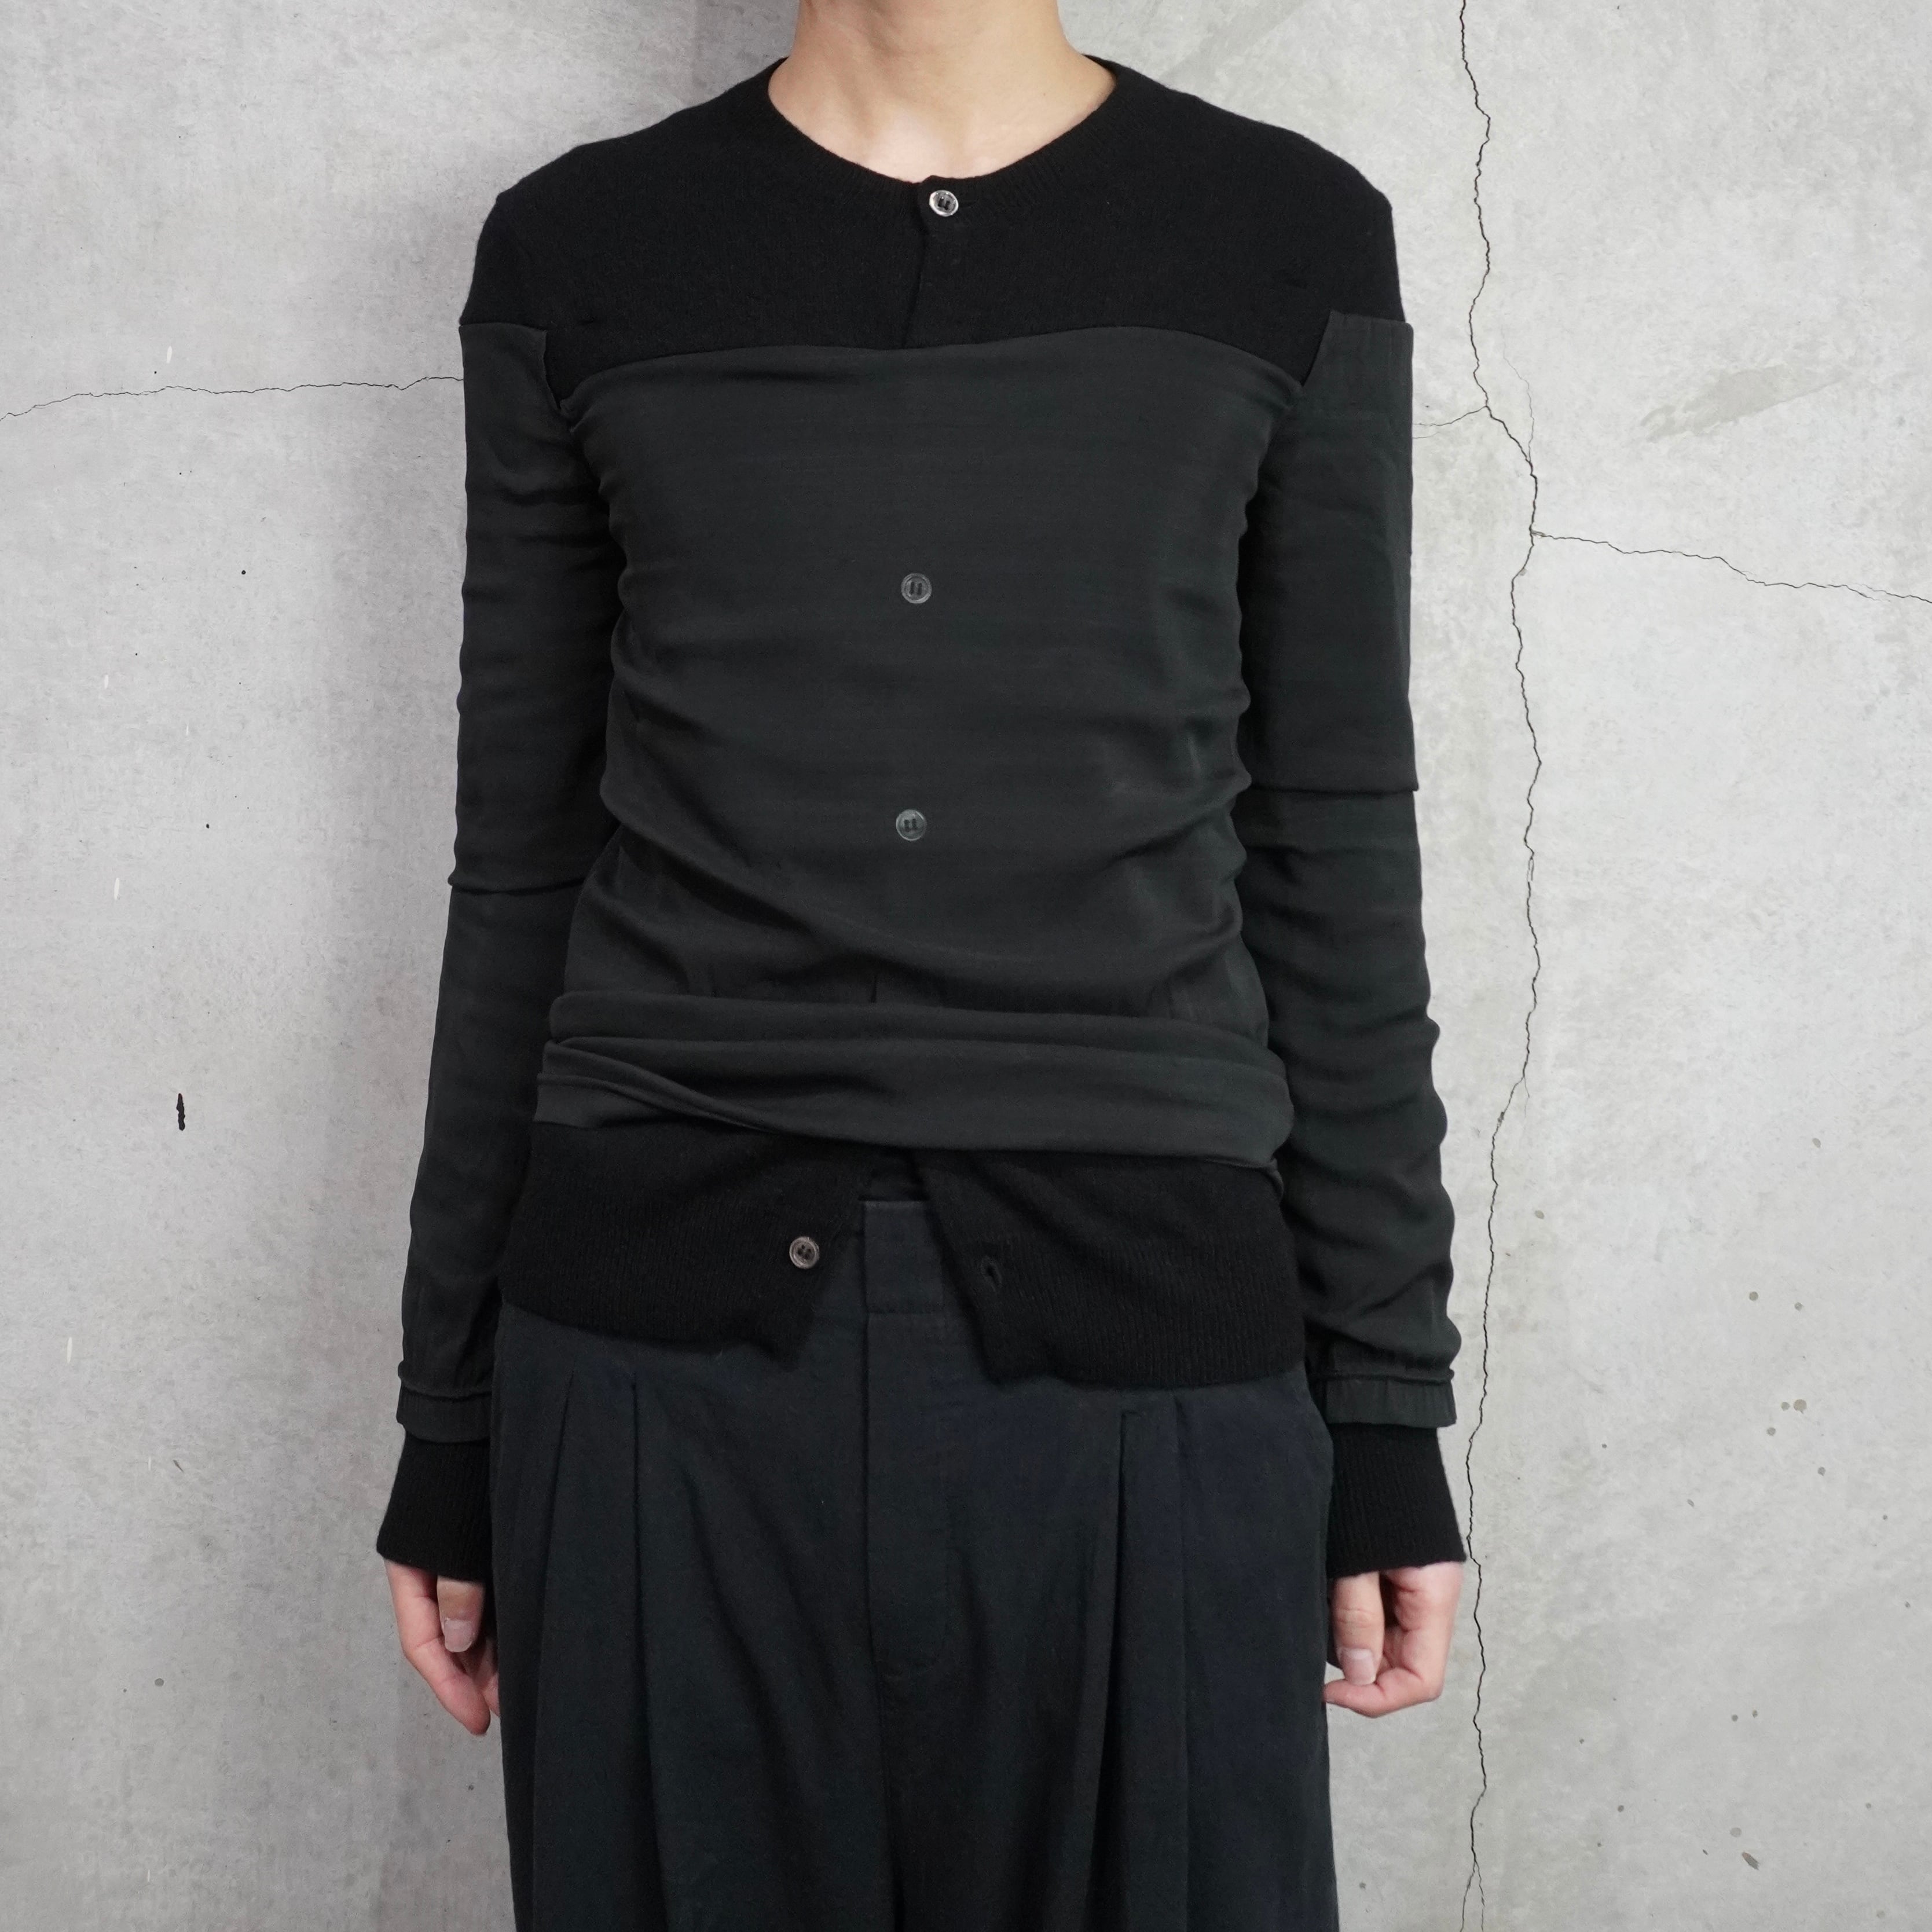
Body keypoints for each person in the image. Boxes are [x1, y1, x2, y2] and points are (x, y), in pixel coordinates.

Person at [376, 2, 1467, 1924]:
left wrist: (1383, 1397)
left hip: (1153, 1356)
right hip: (652, 1370)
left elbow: (1332, 839)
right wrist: (449, 1411)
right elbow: (522, 861)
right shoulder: (582, 246)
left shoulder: (1281, 232)